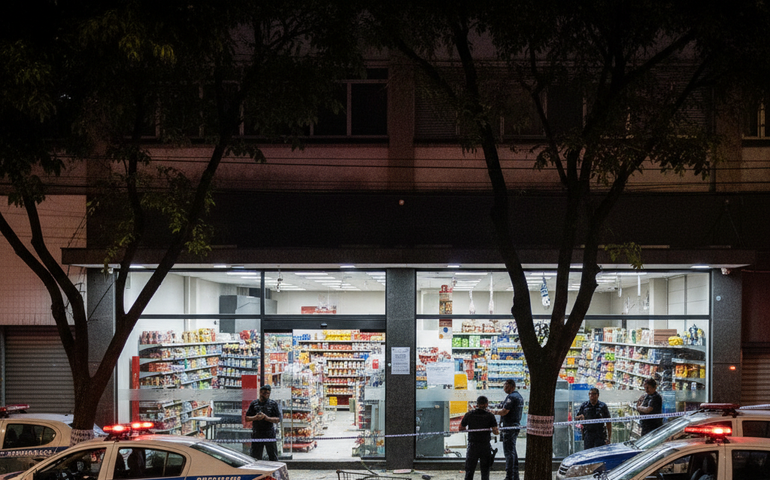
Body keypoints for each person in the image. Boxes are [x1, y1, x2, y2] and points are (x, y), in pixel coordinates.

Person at [460, 395, 499, 480]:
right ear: (487, 404)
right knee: (485, 471)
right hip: (485, 446)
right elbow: (495, 432)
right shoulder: (490, 416)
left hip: (473, 445)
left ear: (477, 404)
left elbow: (461, 428)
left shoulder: (469, 414)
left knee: (469, 470)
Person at [492, 379, 523, 480]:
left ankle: (509, 476)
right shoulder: (518, 396)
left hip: (509, 427)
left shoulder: (512, 397)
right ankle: (515, 476)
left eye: (505, 385)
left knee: (509, 452)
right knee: (512, 451)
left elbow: (504, 411)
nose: (504, 387)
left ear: (510, 386)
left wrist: (494, 412)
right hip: (514, 427)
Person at [245, 384, 282, 461]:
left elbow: (278, 419)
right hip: (257, 433)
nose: (266, 395)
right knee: (255, 456)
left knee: (273, 456)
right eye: (264, 393)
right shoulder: (254, 404)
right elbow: (247, 418)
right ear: (260, 392)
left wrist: (267, 418)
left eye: (268, 393)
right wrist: (255, 417)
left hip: (269, 433)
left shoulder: (273, 404)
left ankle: (274, 472)